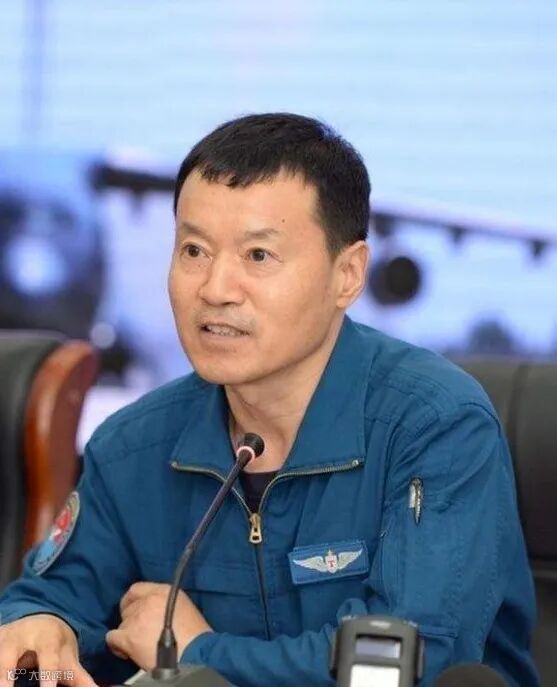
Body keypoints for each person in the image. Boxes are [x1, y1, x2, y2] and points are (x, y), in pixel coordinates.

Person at [0, 113, 540, 687]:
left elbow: (402, 664)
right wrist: (39, 622)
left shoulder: (436, 426)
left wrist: (199, 653)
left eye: (258, 256)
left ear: (348, 275)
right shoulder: (132, 446)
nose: (215, 290)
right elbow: (49, 595)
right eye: (193, 251)